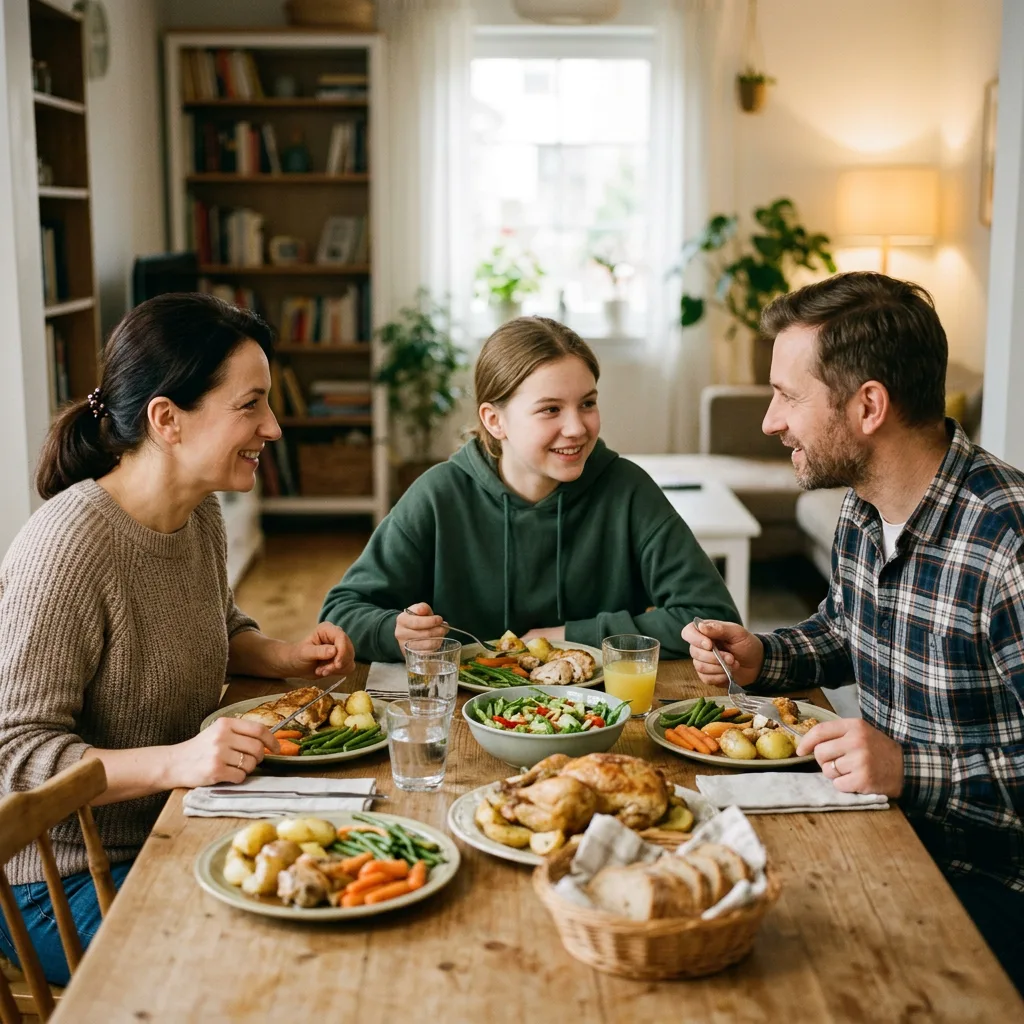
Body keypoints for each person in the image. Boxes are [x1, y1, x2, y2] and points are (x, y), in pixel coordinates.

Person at [681, 272, 1024, 991]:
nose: (772, 422)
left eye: (788, 397)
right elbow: (843, 628)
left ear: (869, 405)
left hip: (992, 888)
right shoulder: (864, 507)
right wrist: (764, 655)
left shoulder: (1009, 546)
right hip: (889, 832)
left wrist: (907, 769)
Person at [0, 293, 355, 984]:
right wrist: (179, 762)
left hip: (177, 823)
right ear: (167, 419)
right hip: (57, 880)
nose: (274, 428)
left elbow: (213, 625)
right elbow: (14, 759)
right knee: (268, 959)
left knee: (332, 895)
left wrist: (281, 655)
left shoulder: (198, 514)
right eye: (250, 405)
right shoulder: (68, 548)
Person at [321, 316, 738, 663]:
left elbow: (712, 617)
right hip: (465, 718)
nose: (577, 428)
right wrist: (391, 630)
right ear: (494, 420)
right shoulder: (438, 495)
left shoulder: (627, 489)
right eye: (550, 409)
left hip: (598, 718)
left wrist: (567, 636)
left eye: (588, 403)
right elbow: (340, 614)